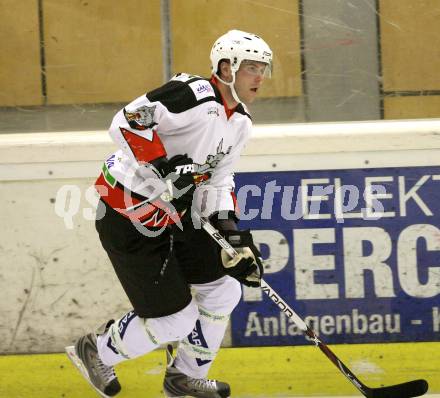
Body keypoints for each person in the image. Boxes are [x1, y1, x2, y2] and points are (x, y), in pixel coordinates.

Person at [65, 29, 273, 398]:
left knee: (224, 289)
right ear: (226, 67)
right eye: (252, 67)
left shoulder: (241, 122)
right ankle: (96, 349)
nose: (260, 77)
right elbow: (127, 120)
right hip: (128, 215)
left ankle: (183, 379)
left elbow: (218, 183)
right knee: (176, 320)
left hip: (176, 216)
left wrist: (234, 239)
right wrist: (163, 165)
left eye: (264, 68)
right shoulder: (192, 94)